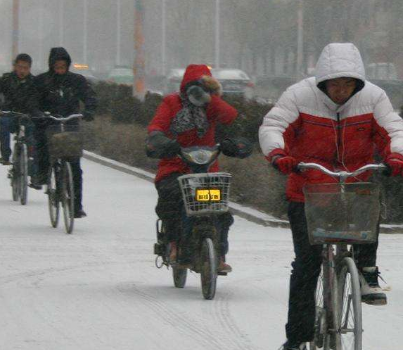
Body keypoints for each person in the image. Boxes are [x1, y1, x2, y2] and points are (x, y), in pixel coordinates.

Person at [259, 43, 403, 350]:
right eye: (335, 84)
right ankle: (297, 338)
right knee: (307, 264)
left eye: (348, 84)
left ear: (358, 83)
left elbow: (394, 130)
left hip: (353, 186)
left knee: (368, 208)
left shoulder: (374, 98)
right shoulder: (299, 97)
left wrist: (396, 156)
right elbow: (274, 125)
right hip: (307, 191)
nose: (341, 90)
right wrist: (278, 154)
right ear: (322, 81)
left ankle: (367, 272)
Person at [146, 64, 249, 273]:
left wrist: (210, 99)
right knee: (172, 202)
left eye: (202, 89)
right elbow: (157, 125)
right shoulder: (171, 102)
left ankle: (218, 255)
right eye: (193, 89)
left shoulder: (211, 106)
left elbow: (230, 116)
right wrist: (160, 139)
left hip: (206, 171)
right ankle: (174, 244)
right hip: (174, 167)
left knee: (219, 211)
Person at [33, 47, 97, 218]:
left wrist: (89, 110)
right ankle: (41, 174)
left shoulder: (77, 81)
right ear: (51, 65)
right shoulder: (42, 81)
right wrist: (38, 113)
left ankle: (76, 205)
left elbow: (89, 96)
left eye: (63, 65)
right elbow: (32, 100)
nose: (60, 69)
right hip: (50, 123)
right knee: (43, 145)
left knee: (75, 166)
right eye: (57, 65)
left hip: (71, 124)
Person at [0, 53, 41, 166]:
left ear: (29, 68)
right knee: (4, 123)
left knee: (33, 138)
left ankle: (33, 169)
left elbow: (44, 99)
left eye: (25, 68)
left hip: (29, 117)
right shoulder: (7, 80)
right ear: (15, 66)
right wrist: (0, 105)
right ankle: (5, 156)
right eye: (20, 67)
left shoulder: (35, 83)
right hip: (11, 115)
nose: (22, 71)